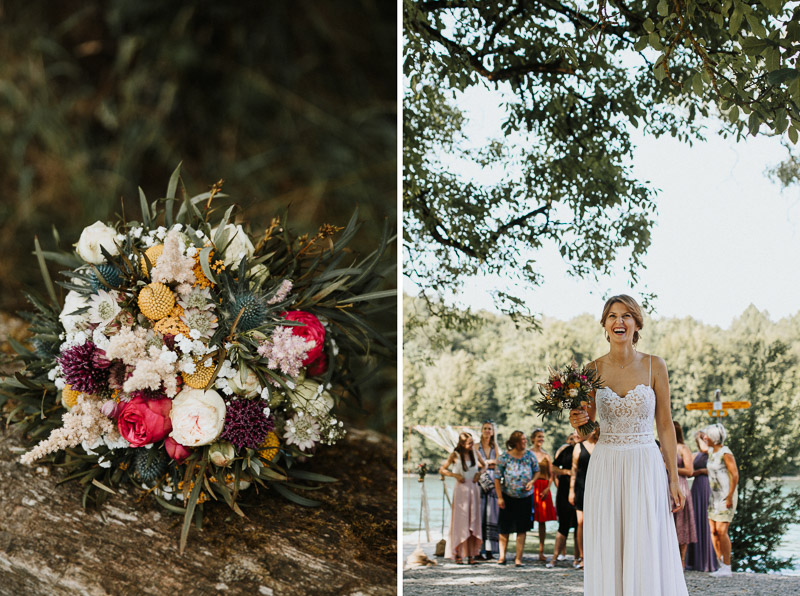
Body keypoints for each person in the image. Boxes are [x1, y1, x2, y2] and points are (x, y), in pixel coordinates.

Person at [570, 294, 688, 595]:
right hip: (606, 463)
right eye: (612, 316)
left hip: (645, 462)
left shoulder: (654, 366)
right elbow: (587, 429)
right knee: (610, 540)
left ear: (636, 324)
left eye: (626, 316)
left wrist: (674, 478)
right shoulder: (591, 369)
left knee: (646, 538)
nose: (619, 321)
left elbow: (665, 424)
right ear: (605, 325)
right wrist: (577, 419)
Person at [493, 430, 540, 567]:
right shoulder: (504, 458)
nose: (525, 442)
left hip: (525, 497)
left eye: (525, 439)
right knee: (504, 527)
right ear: (514, 443)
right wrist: (499, 497)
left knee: (522, 528)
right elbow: (497, 478)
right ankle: (502, 556)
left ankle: (518, 558)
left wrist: (532, 481)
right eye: (522, 440)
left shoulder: (530, 455)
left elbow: (537, 471)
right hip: (508, 496)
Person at [439, 431, 485, 564]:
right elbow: (442, 469)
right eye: (469, 443)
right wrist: (456, 476)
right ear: (462, 443)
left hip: (474, 489)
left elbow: (485, 465)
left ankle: (471, 555)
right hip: (461, 490)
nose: (472, 445)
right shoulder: (455, 455)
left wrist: (479, 474)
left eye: (472, 442)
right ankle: (458, 553)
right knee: (460, 521)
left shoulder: (476, 453)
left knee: (473, 519)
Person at [705, 422, 739, 578]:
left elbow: (735, 475)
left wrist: (730, 496)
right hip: (714, 496)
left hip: (726, 496)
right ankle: (718, 564)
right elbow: (701, 445)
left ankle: (727, 566)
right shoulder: (712, 451)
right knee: (713, 531)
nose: (705, 437)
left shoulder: (726, 453)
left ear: (713, 437)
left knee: (722, 531)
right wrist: (699, 435)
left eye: (707, 435)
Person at [685, 430, 719, 572]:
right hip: (697, 488)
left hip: (706, 487)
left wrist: (701, 472)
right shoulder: (696, 455)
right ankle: (693, 560)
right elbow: (690, 472)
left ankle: (706, 561)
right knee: (695, 520)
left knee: (705, 521)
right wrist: (699, 472)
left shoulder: (712, 453)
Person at [568, 426, 598, 570]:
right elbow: (574, 470)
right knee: (581, 523)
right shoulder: (579, 447)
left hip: (598, 488)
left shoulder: (601, 446)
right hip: (581, 487)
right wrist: (571, 491)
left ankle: (597, 556)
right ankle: (582, 556)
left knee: (598, 523)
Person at [548, 431, 579, 568]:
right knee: (563, 525)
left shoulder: (587, 450)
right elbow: (554, 467)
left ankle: (577, 558)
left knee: (580, 526)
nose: (574, 438)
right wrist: (566, 472)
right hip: (564, 491)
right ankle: (554, 557)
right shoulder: (565, 451)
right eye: (572, 437)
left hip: (581, 489)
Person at [530, 428, 557, 562]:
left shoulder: (546, 455)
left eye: (542, 437)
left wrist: (547, 488)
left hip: (543, 488)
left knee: (542, 521)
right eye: (539, 437)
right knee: (526, 518)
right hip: (531, 487)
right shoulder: (528, 454)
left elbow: (551, 475)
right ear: (533, 439)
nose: (541, 439)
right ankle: (520, 551)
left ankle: (541, 551)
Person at [673, 421, 697, 568]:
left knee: (682, 523)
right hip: (664, 486)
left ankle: (681, 560)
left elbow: (689, 471)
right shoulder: (661, 447)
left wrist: (670, 467)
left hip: (680, 485)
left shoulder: (683, 448)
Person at [477, 420, 500, 560]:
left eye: (489, 429)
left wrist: (487, 463)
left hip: (492, 480)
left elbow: (499, 461)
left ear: (492, 432)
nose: (487, 431)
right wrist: (488, 463)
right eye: (485, 428)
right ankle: (478, 550)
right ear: (482, 430)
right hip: (479, 480)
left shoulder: (495, 446)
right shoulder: (475, 446)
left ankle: (490, 549)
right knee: (479, 514)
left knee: (491, 515)